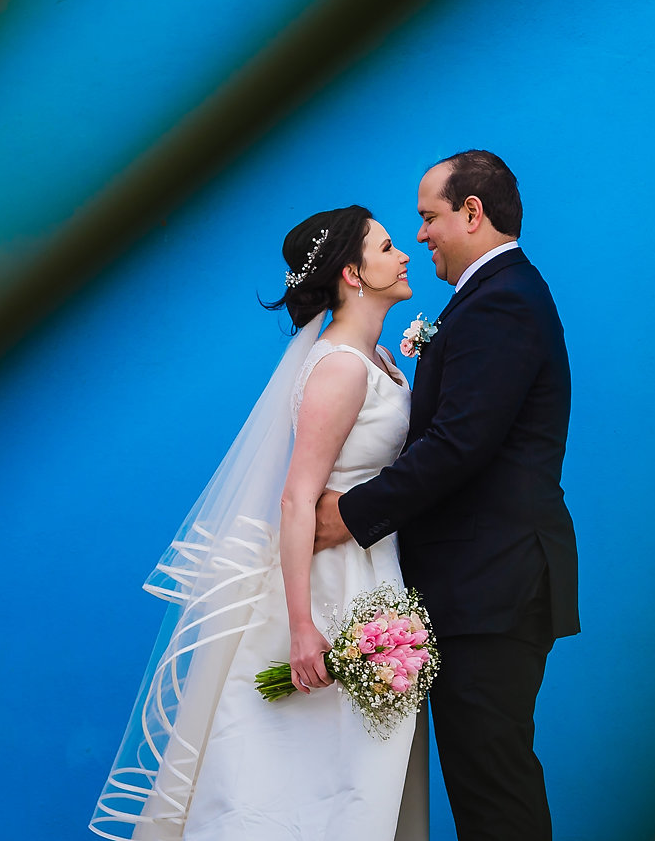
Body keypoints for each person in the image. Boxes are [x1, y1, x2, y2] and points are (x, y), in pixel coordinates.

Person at [93, 206, 428, 841]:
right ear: (353, 274)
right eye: (387, 247)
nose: (404, 254)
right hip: (331, 590)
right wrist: (302, 628)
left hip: (373, 576)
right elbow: (298, 499)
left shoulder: (378, 357)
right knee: (311, 774)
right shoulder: (340, 367)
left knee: (356, 773)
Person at [315, 150, 580, 841]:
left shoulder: (504, 303)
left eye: (429, 217)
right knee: (483, 782)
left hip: (493, 587)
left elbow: (460, 444)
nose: (422, 234)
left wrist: (348, 513)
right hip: (480, 586)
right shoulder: (494, 298)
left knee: (493, 790)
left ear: (472, 212)